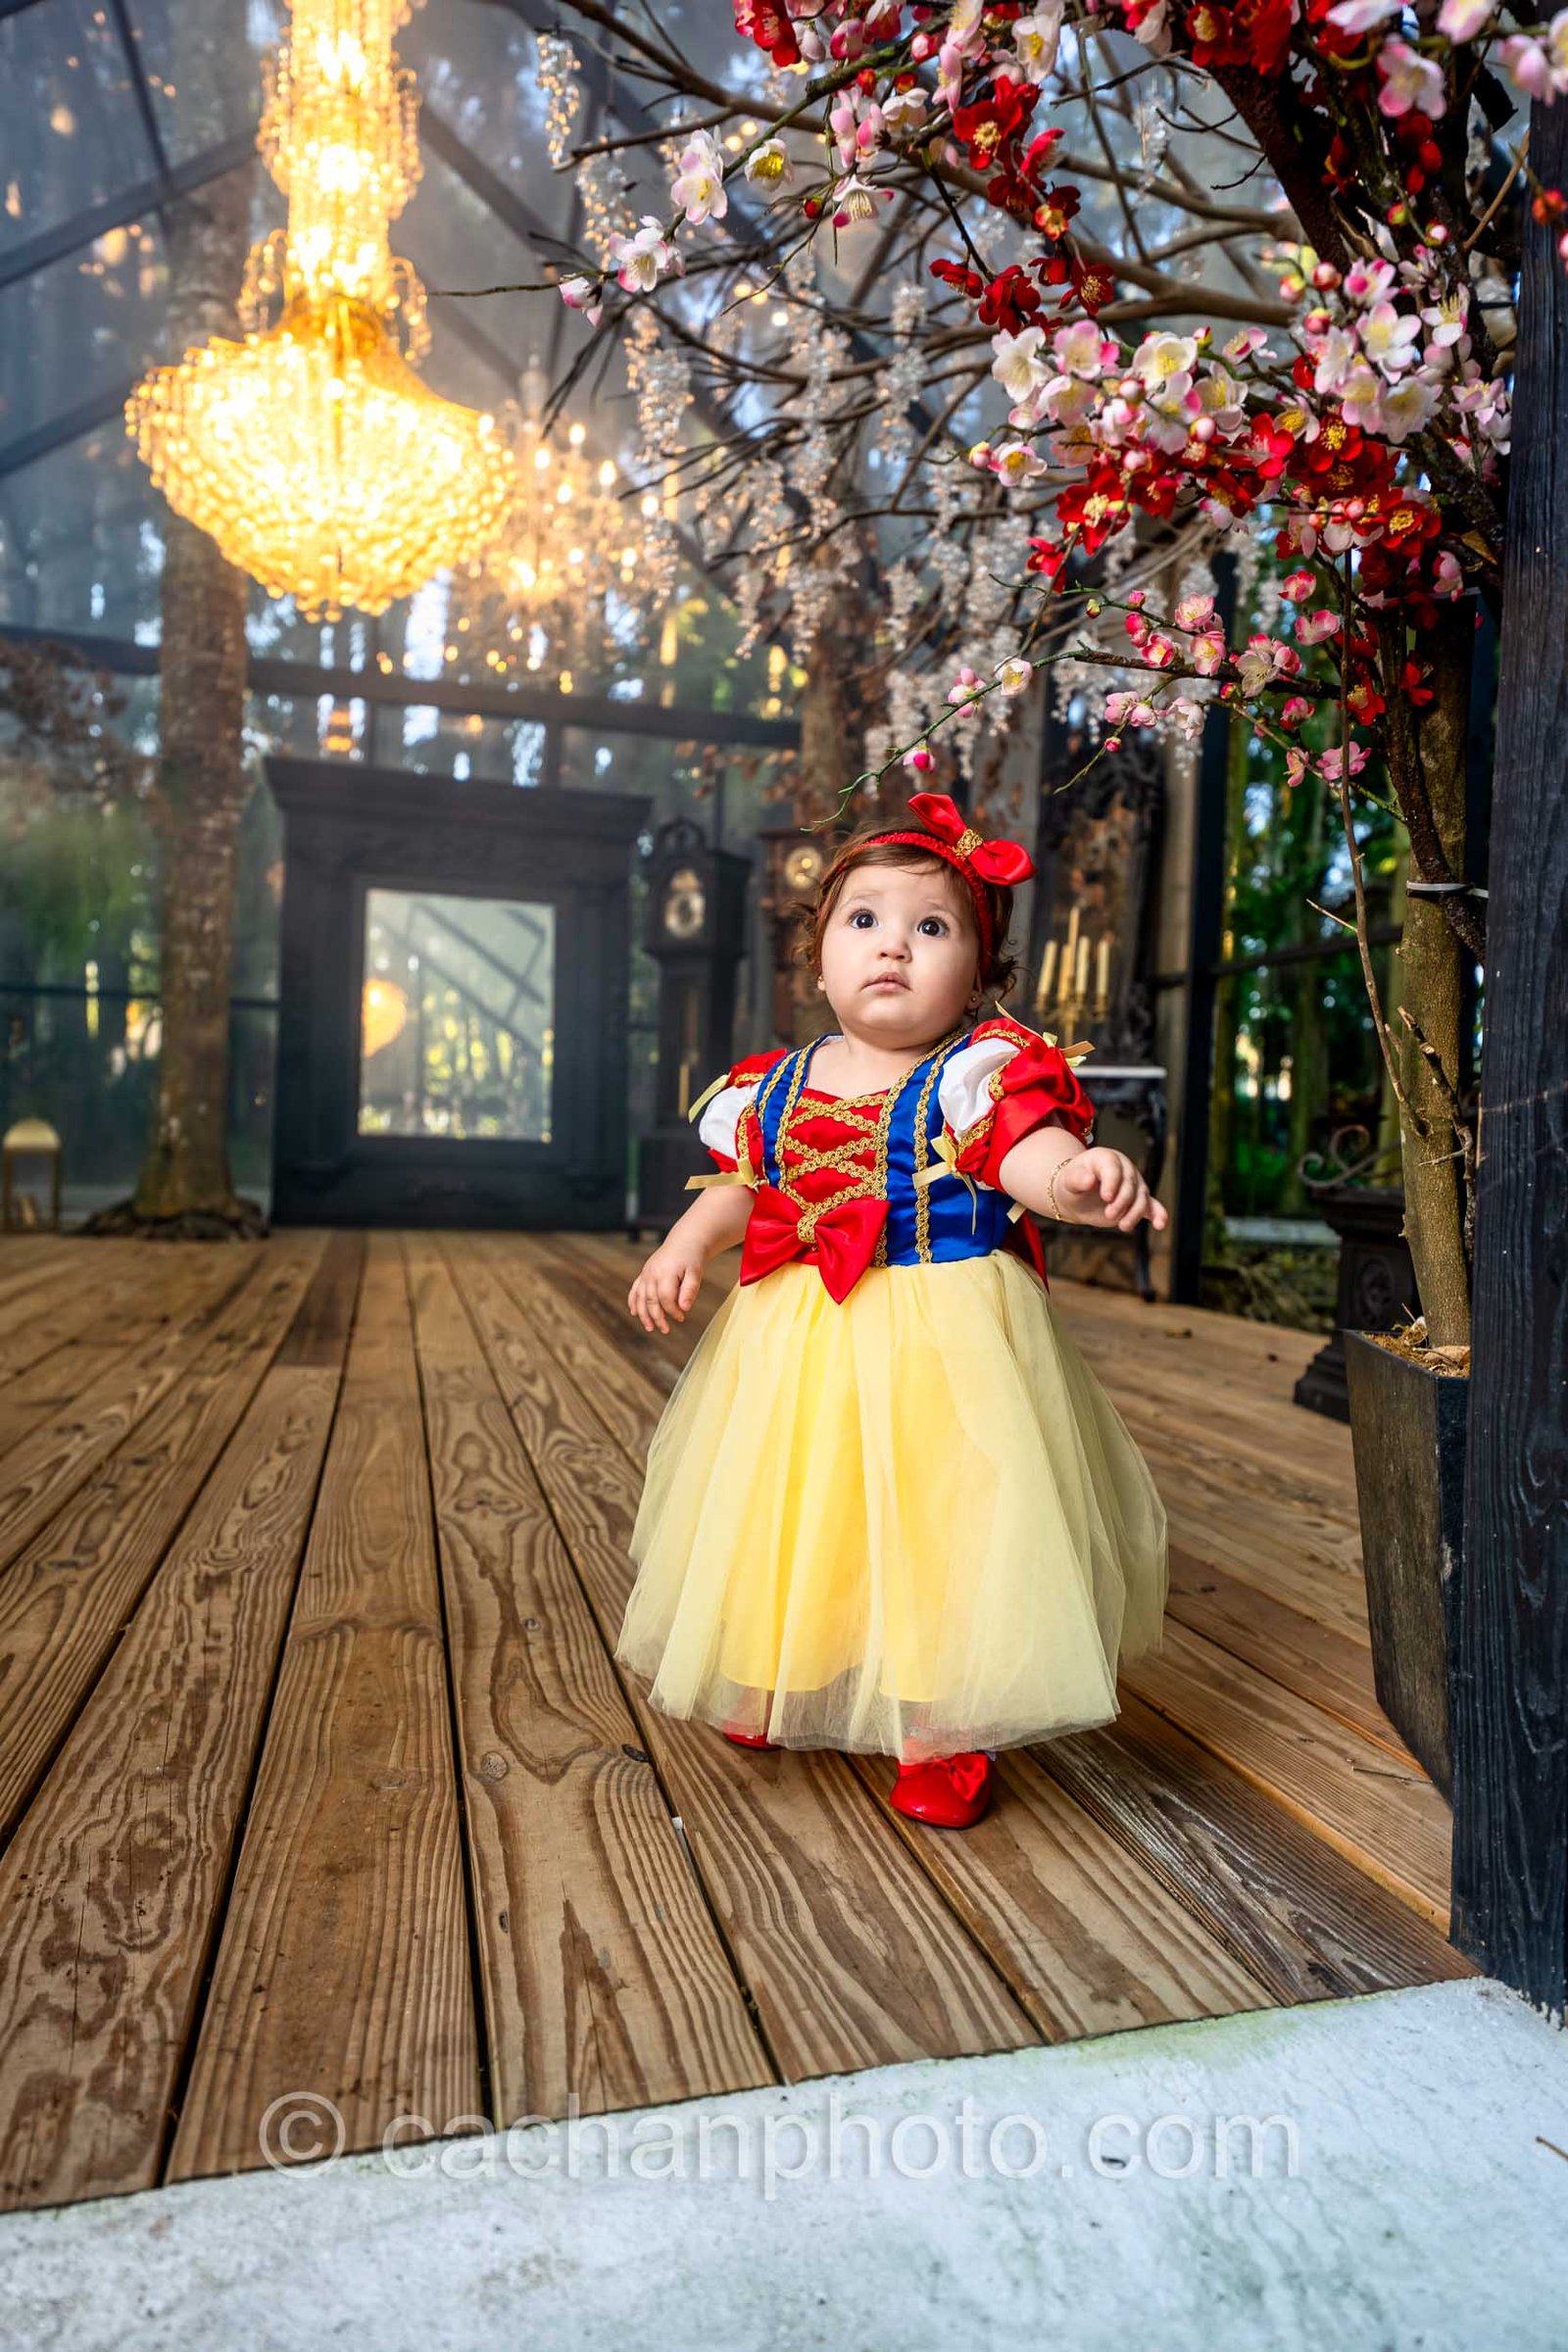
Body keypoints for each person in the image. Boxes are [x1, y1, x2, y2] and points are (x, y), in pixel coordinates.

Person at [617, 792, 1169, 1830]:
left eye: (933, 928)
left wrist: (1076, 1178)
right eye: (863, 920)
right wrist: (683, 1246)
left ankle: (942, 1720)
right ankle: (778, 1665)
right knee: (790, 1502)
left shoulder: (977, 1076)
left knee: (939, 1520)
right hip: (795, 1340)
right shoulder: (772, 1085)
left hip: (941, 1338)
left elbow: (1024, 1153)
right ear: (818, 956)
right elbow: (743, 1187)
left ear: (979, 974)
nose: (893, 947)